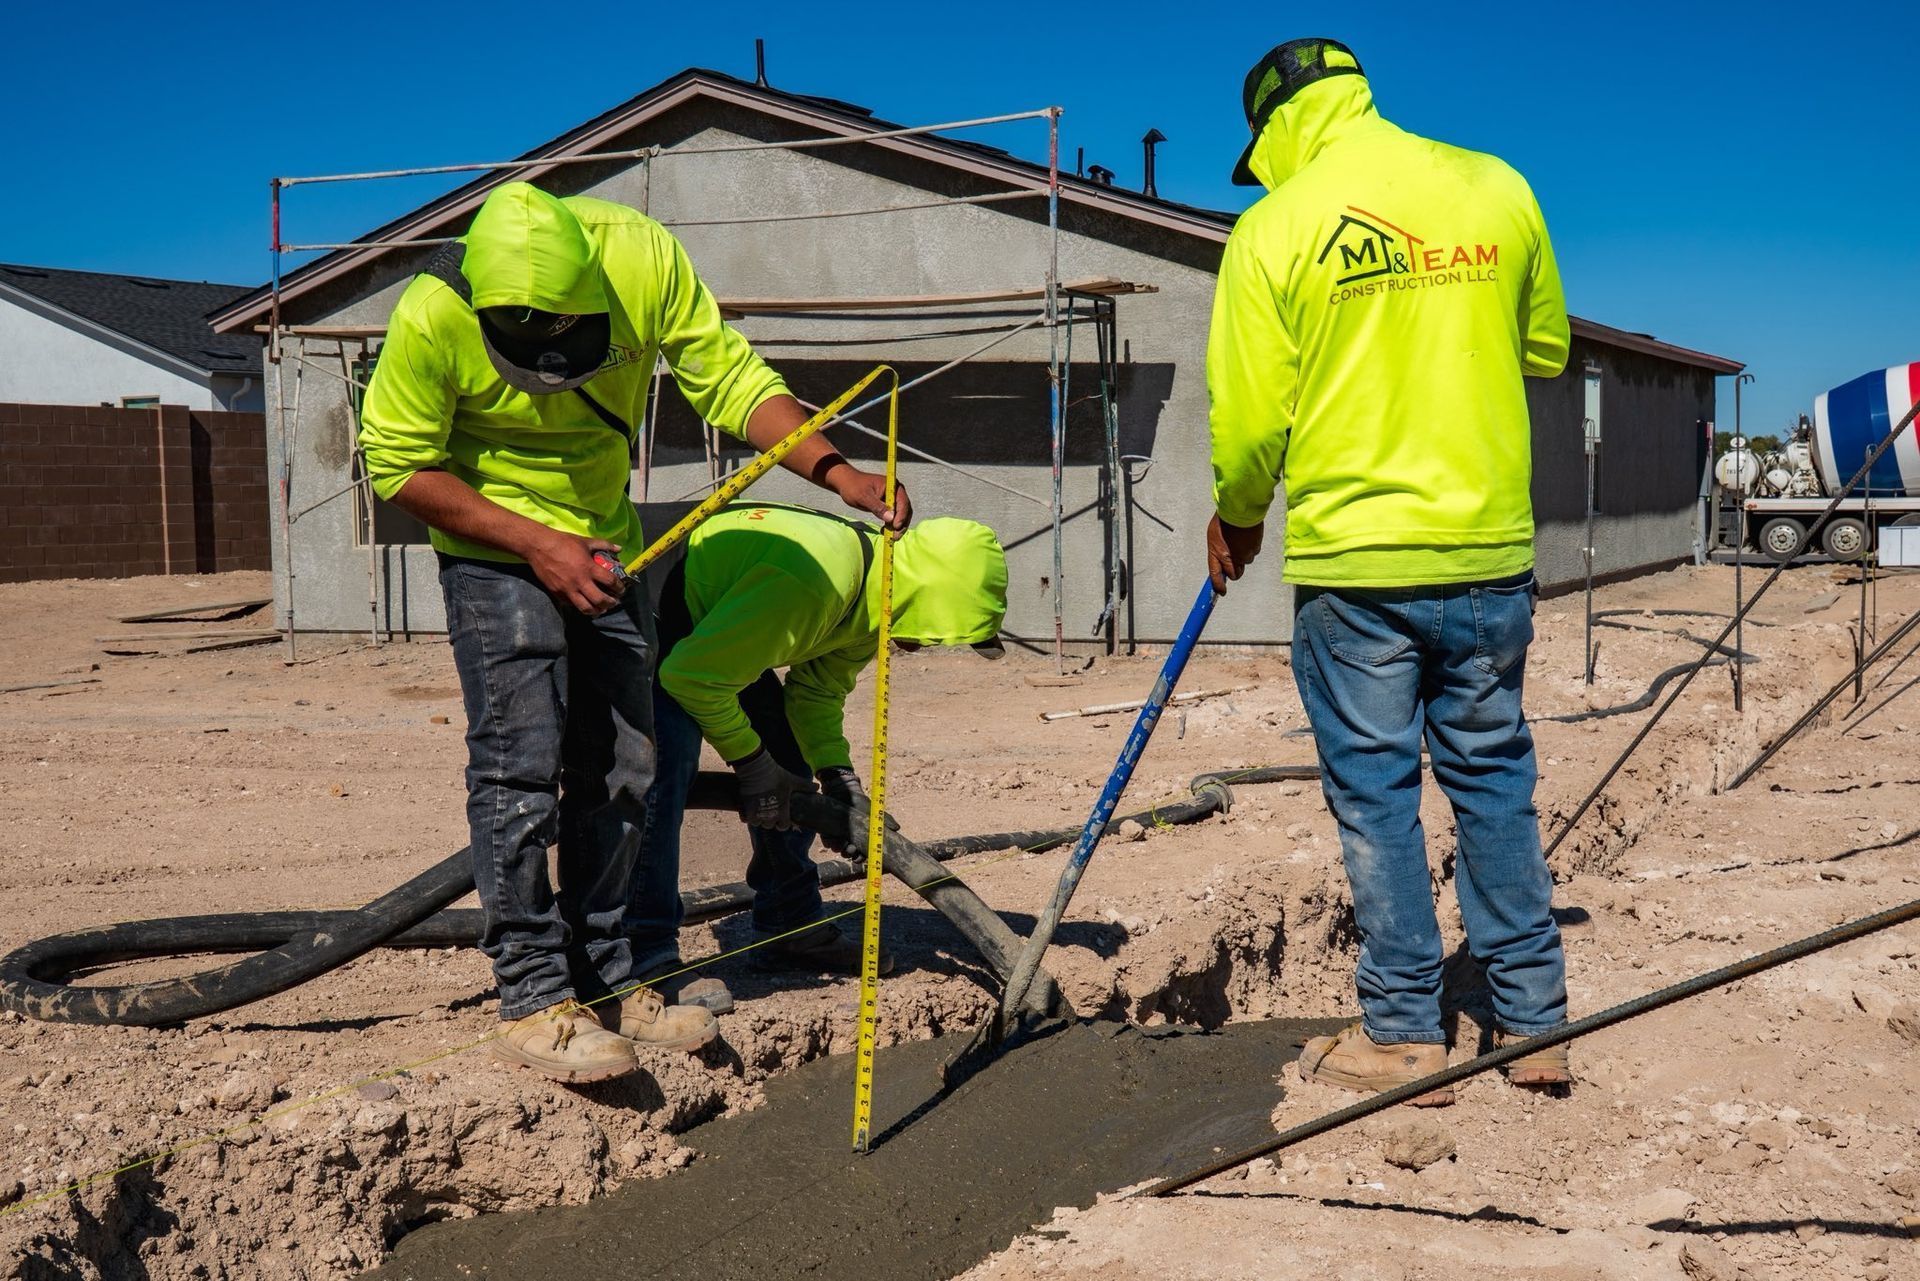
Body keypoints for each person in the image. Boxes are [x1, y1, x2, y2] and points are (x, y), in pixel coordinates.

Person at [358, 182, 910, 1082]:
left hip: (607, 540)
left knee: (624, 764)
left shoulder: (641, 260)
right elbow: (396, 465)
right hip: (494, 543)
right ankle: (536, 995)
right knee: (520, 764)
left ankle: (612, 979)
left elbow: (731, 378)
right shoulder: (431, 313)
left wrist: (836, 468)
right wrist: (538, 544)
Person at [1204, 38, 1573, 1104]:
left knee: (1376, 801)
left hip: (1358, 565)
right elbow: (1541, 350)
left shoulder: (1272, 226)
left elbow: (1248, 424)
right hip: (1489, 551)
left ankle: (1409, 1034)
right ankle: (1534, 1023)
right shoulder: (1495, 186)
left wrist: (1238, 516)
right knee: (1494, 779)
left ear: (1274, 128)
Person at [628, 504, 1008, 994]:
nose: (929, 647)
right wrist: (752, 765)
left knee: (788, 759)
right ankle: (645, 956)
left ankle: (790, 926)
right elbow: (691, 678)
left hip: (714, 625)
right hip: (653, 607)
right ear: (929, 600)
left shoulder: (877, 598)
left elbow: (815, 694)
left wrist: (838, 781)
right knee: (663, 769)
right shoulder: (819, 584)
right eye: (941, 634)